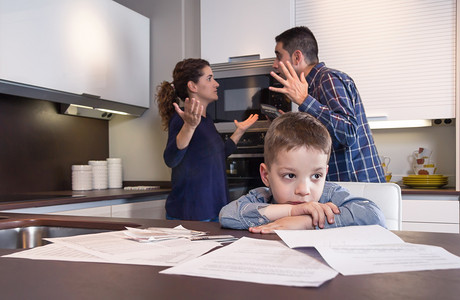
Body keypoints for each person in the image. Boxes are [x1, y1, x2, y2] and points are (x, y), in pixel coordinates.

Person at [219, 112, 386, 233]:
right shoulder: (262, 196)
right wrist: (291, 212)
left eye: (316, 176)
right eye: (290, 176)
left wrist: (307, 222)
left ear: (325, 174)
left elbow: (374, 215)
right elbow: (227, 216)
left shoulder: (329, 194)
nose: (304, 190)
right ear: (266, 175)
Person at [269, 26, 385, 182]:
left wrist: (304, 100)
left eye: (278, 56)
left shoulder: (327, 79)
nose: (275, 64)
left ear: (297, 57)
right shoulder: (310, 87)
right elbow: (324, 139)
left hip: (357, 187)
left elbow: (348, 132)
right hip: (343, 186)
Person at [156, 58, 258, 221]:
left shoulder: (207, 120)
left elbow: (218, 155)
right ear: (193, 86)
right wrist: (189, 126)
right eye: (209, 78)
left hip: (214, 211)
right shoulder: (182, 119)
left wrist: (239, 131)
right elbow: (171, 158)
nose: (216, 84)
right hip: (192, 215)